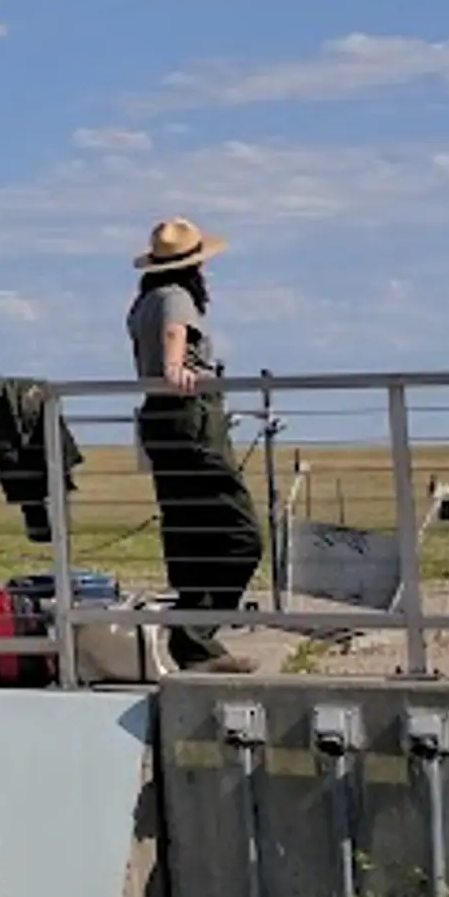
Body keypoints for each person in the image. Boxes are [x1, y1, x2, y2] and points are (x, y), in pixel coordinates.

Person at [129, 217, 262, 671]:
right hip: (189, 417)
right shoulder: (175, 298)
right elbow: (174, 336)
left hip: (160, 420)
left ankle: (195, 644)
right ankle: (194, 633)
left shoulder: (144, 300)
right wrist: (175, 368)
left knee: (188, 530)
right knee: (240, 532)